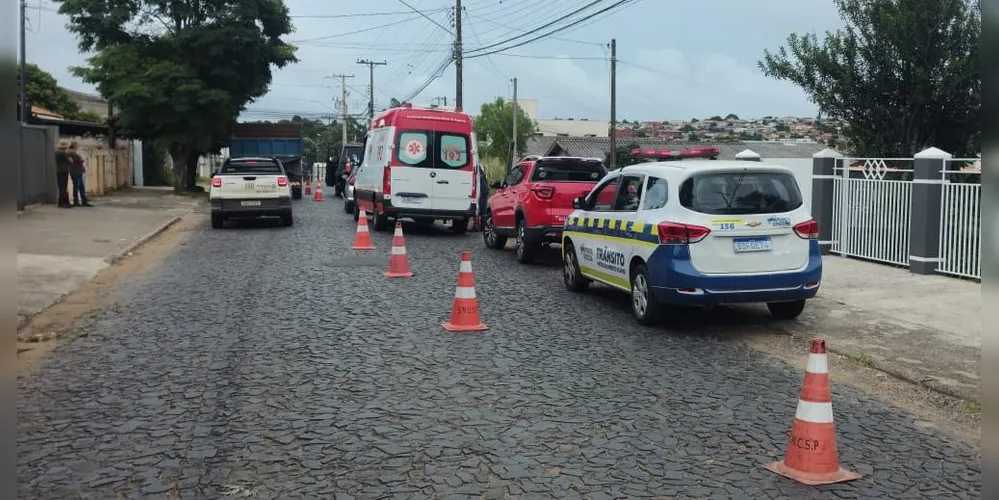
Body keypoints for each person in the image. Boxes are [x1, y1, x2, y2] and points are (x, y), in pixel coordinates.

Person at [68, 142, 92, 207]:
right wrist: (80, 159)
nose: (78, 147)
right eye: (77, 146)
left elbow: (80, 160)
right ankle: (76, 201)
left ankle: (84, 201)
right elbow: (76, 160)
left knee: (81, 187)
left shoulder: (74, 153)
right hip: (75, 172)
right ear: (74, 146)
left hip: (78, 171)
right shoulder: (70, 153)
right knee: (76, 187)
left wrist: (80, 159)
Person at [54, 141, 73, 208]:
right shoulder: (63, 153)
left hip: (59, 171)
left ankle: (61, 203)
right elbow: (70, 161)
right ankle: (64, 203)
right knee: (64, 187)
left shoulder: (56, 152)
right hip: (64, 171)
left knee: (61, 187)